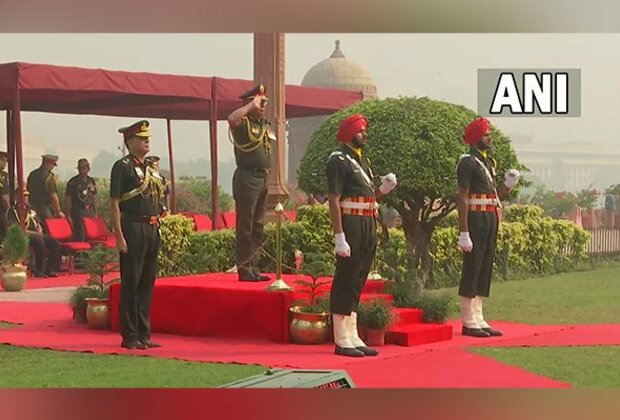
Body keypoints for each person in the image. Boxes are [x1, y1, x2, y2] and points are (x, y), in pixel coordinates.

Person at [326, 114, 397, 357]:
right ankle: (341, 337)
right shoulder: (338, 160)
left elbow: (369, 199)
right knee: (346, 276)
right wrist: (339, 235)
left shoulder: (362, 161)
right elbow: (334, 200)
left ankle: (352, 333)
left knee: (359, 277)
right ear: (348, 133)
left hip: (368, 220)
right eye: (361, 131)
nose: (365, 135)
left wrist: (383, 191)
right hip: (351, 222)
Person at [456, 117, 520, 338]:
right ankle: (468, 320)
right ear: (475, 138)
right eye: (485, 135)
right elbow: (463, 197)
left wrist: (508, 185)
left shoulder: (489, 162)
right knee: (473, 266)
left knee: (484, 267)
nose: (489, 138)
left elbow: (495, 196)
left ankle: (479, 316)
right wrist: (463, 231)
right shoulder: (467, 162)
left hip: (490, 217)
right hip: (475, 218)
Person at [110, 120, 167, 350]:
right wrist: (119, 235)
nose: (147, 141)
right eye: (142, 138)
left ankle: (144, 333)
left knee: (146, 283)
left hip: (152, 227)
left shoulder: (149, 168)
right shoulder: (122, 166)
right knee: (131, 282)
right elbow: (114, 202)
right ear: (130, 141)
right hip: (132, 227)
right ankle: (130, 335)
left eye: (147, 138)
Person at [227, 84, 276, 282]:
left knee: (258, 225)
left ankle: (254, 266)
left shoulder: (262, 125)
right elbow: (231, 119)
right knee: (245, 225)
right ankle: (244, 268)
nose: (263, 105)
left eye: (264, 102)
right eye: (260, 102)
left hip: (262, 177)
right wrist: (250, 105)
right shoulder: (243, 124)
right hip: (247, 178)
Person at [6, 188, 61, 278]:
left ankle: (49, 269)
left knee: (54, 242)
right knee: (39, 242)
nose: (25, 198)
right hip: (23, 235)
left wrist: (39, 230)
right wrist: (35, 233)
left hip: (36, 233)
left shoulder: (31, 210)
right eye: (23, 196)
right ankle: (39, 270)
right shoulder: (12, 211)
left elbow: (38, 222)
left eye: (27, 196)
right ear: (17, 197)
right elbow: (16, 228)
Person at [65, 158, 97, 241]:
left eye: (84, 168)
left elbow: (94, 197)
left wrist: (95, 212)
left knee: (91, 235)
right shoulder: (73, 182)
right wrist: (68, 214)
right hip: (78, 211)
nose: (82, 171)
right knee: (80, 235)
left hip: (89, 211)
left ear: (88, 169)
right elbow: (68, 198)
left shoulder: (91, 181)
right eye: (80, 168)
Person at [27, 154, 65, 222]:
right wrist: (58, 211)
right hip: (45, 208)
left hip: (32, 206)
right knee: (50, 228)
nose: (53, 167)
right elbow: (53, 196)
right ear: (47, 163)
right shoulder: (49, 178)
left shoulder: (32, 174)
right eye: (52, 164)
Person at [0, 151, 10, 240]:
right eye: (3, 160)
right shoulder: (2, 176)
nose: (5, 163)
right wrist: (9, 210)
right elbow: (4, 196)